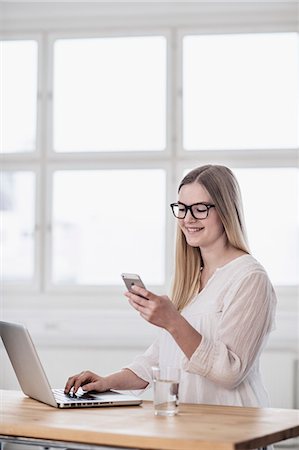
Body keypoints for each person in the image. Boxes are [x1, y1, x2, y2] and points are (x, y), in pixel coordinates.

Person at [65, 164, 277, 408]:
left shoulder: (249, 278)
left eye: (200, 209)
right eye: (183, 209)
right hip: (186, 426)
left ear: (227, 211)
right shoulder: (189, 280)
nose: (188, 219)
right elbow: (158, 359)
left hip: (232, 427)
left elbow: (230, 371)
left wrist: (173, 321)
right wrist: (105, 382)